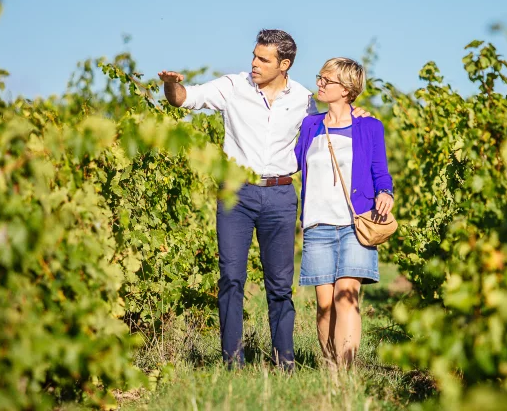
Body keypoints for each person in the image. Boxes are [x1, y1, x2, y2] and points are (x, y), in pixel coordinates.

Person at [158, 30, 369, 370]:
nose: (254, 64)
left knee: (280, 286)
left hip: (281, 196)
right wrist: (170, 85)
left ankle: (285, 362)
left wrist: (355, 114)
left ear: (284, 64)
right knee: (230, 278)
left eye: (263, 59)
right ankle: (233, 362)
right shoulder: (232, 87)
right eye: (254, 56)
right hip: (236, 195)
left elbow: (329, 123)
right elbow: (183, 98)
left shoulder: (302, 99)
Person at [294, 58, 394, 368]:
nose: (320, 83)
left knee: (346, 297)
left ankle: (344, 375)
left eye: (327, 79)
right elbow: (294, 163)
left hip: (355, 224)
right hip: (317, 225)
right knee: (325, 306)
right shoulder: (311, 124)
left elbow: (380, 170)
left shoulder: (369, 126)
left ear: (347, 89)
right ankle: (330, 365)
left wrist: (385, 193)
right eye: (320, 77)